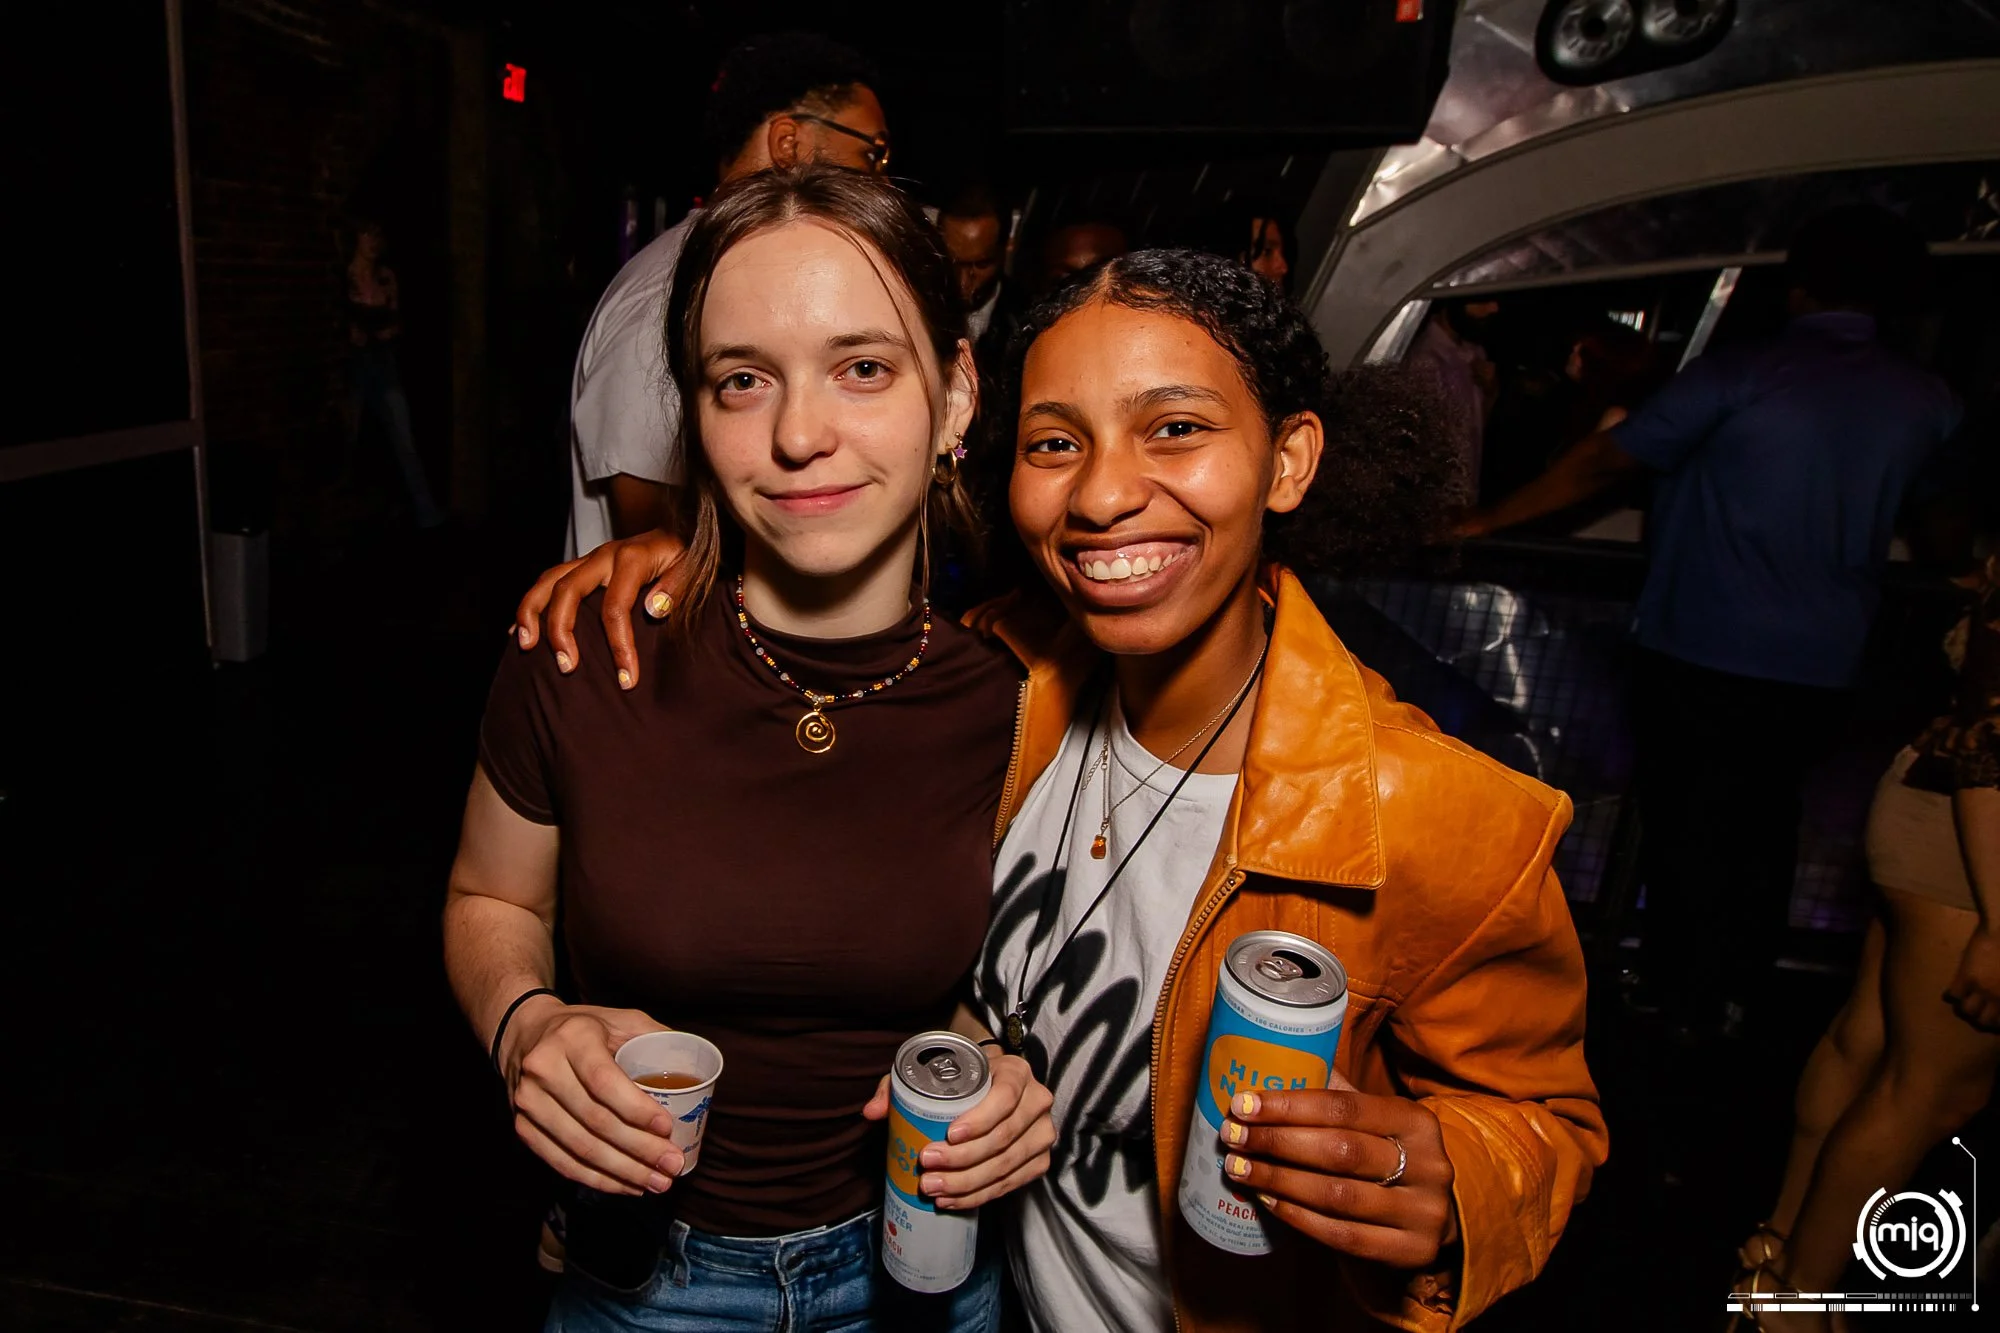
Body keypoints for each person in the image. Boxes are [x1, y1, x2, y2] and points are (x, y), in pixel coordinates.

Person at [518, 249, 1607, 1331]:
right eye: (1054, 443)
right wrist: (675, 558)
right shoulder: (1008, 683)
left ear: (1287, 460)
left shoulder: (1440, 813)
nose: (1101, 493)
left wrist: (1455, 1185)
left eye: (1173, 428)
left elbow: (1544, 1119)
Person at [448, 166, 1054, 1330]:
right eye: (742, 379)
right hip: (644, 1279)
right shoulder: (584, 652)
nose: (798, 434)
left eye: (862, 367)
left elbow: (1012, 985)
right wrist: (525, 1023)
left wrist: (1005, 1082)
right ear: (694, 416)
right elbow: (489, 896)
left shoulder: (1022, 701)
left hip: (923, 1270)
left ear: (956, 394)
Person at [1460, 206, 1963, 1041]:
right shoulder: (1926, 398)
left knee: (1685, 819)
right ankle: (1733, 996)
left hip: (1701, 643)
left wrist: (1484, 520)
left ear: (1799, 286)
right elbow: (1944, 529)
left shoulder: (1746, 371)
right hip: (1823, 658)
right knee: (1767, 823)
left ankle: (1674, 994)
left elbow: (1607, 460)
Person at [1729, 540, 1998, 1333]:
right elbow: (1990, 754)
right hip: (1970, 845)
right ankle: (1795, 1300)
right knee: (1932, 1088)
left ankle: (1777, 1247)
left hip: (1931, 805)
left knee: (1869, 1042)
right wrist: (1999, 924)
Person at [564, 32, 890, 559]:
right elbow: (646, 518)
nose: (881, 177)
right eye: (872, 151)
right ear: (788, 143)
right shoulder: (684, 282)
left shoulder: (743, 271)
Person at [345, 219, 444, 529]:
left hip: (383, 361)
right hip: (354, 363)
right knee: (347, 438)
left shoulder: (386, 277)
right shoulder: (345, 277)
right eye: (367, 233)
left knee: (404, 438)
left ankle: (426, 513)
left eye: (377, 235)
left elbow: (397, 321)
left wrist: (388, 331)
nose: (373, 241)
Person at [1402, 299, 1499, 506]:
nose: (1493, 308)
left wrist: (1490, 391)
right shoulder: (1425, 362)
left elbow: (1474, 431)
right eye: (1482, 299)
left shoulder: (1473, 353)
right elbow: (1423, 451)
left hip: (1466, 498)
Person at [936, 181, 1012, 351]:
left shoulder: (1026, 320)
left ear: (1005, 250)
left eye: (981, 265)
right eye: (953, 263)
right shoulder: (919, 306)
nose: (963, 282)